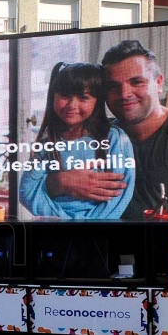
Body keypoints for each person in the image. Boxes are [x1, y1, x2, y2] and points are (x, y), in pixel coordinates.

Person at [45, 41, 168, 219]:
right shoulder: (96, 136)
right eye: (113, 86)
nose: (124, 94)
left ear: (159, 83)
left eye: (137, 82)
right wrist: (59, 183)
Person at [19, 62, 135, 218]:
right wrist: (65, 223)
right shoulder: (46, 144)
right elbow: (27, 191)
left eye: (84, 97)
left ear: (97, 101)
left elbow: (119, 196)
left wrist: (85, 229)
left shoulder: (115, 139)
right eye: (65, 96)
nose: (72, 105)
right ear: (53, 96)